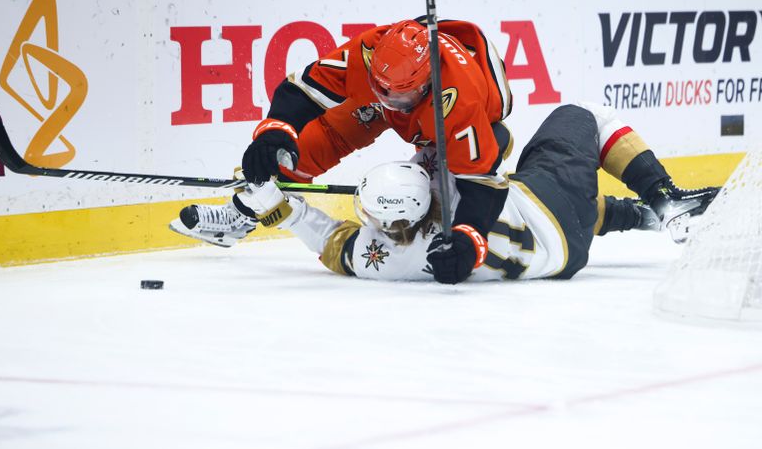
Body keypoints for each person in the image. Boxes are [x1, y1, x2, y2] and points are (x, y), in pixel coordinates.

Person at [170, 17, 515, 283]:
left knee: (455, 169)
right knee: (323, 137)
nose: (388, 105)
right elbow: (303, 88)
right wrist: (275, 130)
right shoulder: (368, 54)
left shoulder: (459, 102)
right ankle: (243, 210)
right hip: (407, 86)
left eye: (398, 99)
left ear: (426, 84)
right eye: (381, 91)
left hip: (467, 110)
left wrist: (471, 238)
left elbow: (484, 181)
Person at [216, 102, 718, 283]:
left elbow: (332, 242)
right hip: (544, 205)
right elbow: (499, 138)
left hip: (562, 259)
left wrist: (280, 208)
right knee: (586, 114)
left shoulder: (391, 260)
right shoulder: (461, 188)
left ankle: (646, 220)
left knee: (547, 206)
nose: (367, 220)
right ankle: (664, 199)